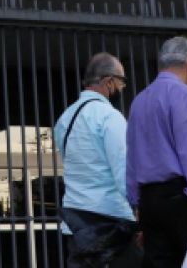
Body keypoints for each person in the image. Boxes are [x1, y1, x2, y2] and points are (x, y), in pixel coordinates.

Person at [126, 36, 187, 268]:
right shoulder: (184, 94)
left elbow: (131, 157)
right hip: (181, 197)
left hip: (149, 200)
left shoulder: (139, 101)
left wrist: (137, 203)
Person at [55, 52, 138, 267]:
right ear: (109, 81)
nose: (122, 88)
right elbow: (124, 170)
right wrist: (140, 209)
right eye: (121, 82)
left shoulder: (65, 119)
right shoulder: (109, 116)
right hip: (111, 223)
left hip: (77, 226)